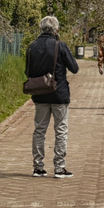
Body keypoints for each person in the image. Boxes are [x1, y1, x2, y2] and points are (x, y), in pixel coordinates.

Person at [26, 16, 79, 177]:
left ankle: (38, 166)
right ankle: (59, 167)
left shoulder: (32, 47)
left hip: (39, 94)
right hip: (59, 93)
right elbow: (74, 68)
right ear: (56, 30)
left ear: (41, 29)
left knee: (39, 130)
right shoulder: (60, 46)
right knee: (61, 130)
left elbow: (28, 72)